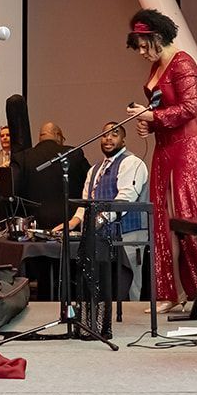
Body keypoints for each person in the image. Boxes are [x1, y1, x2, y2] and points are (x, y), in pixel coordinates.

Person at [125, 9, 197, 314]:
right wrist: (150, 123)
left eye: (144, 46)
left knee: (188, 215)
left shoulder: (183, 63)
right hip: (165, 146)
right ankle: (170, 291)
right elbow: (163, 111)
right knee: (162, 217)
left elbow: (190, 108)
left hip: (190, 146)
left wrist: (152, 116)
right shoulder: (158, 65)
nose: (141, 53)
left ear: (157, 37)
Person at [54, 121, 149, 300]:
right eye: (105, 135)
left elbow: (125, 198)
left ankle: (131, 316)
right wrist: (73, 222)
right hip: (103, 236)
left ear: (123, 140)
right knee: (105, 284)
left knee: (129, 283)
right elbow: (86, 202)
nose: (108, 138)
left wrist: (99, 220)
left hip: (129, 234)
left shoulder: (132, 163)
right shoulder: (94, 169)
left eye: (114, 134)